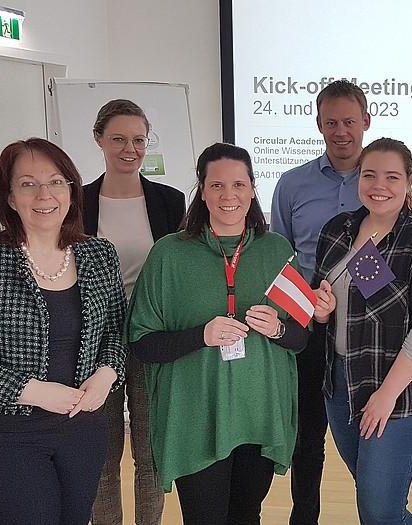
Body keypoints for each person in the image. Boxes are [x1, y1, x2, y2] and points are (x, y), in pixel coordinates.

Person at [0, 138, 126, 525]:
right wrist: (33, 391)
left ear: (71, 189)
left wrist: (107, 373)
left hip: (82, 433)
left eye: (55, 181)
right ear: (9, 197)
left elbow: (117, 330)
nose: (44, 194)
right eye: (27, 184)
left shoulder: (99, 254)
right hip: (4, 436)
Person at [126, 143, 308, 525]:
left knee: (247, 515)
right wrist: (200, 336)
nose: (229, 196)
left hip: (257, 416)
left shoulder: (277, 250)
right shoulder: (169, 255)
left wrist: (277, 328)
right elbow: (143, 344)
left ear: (253, 189)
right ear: (202, 190)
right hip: (196, 419)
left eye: (239, 185)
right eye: (217, 185)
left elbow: (300, 338)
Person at [310, 138, 412, 524]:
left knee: (378, 510)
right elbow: (328, 305)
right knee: (378, 502)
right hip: (340, 384)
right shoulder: (338, 229)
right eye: (369, 174)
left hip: (397, 392)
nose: (379, 185)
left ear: (408, 181)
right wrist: (322, 312)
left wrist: (386, 396)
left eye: (392, 176)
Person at [270, 79, 370, 525]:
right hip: (308, 327)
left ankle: (377, 511)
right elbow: (281, 258)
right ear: (318, 124)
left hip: (368, 329)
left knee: (366, 436)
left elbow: (390, 248)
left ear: (366, 121)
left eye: (349, 121)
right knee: (308, 436)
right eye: (332, 122)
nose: (341, 131)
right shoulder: (292, 185)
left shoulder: (382, 180)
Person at [84, 98, 186, 525]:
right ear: (99, 140)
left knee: (152, 455)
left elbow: (177, 271)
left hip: (150, 340)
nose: (130, 148)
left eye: (139, 140)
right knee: (101, 458)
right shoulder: (77, 200)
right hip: (93, 345)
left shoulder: (170, 200)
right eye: (119, 139)